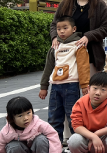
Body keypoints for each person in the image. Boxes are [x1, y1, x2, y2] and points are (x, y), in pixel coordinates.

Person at [39, 16, 90, 144]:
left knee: (73, 116)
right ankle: (55, 144)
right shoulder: (55, 46)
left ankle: (76, 143)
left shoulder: (78, 45)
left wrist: (85, 85)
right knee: (54, 117)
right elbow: (48, 67)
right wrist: (43, 86)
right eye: (58, 29)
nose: (61, 31)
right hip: (55, 86)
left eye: (65, 28)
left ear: (74, 29)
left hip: (71, 85)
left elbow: (83, 66)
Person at [50, 0, 107, 76]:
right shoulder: (65, 4)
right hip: (67, 54)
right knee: (69, 88)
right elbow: (54, 25)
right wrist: (55, 37)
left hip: (92, 55)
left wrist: (88, 36)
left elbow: (105, 27)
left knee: (89, 88)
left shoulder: (100, 5)